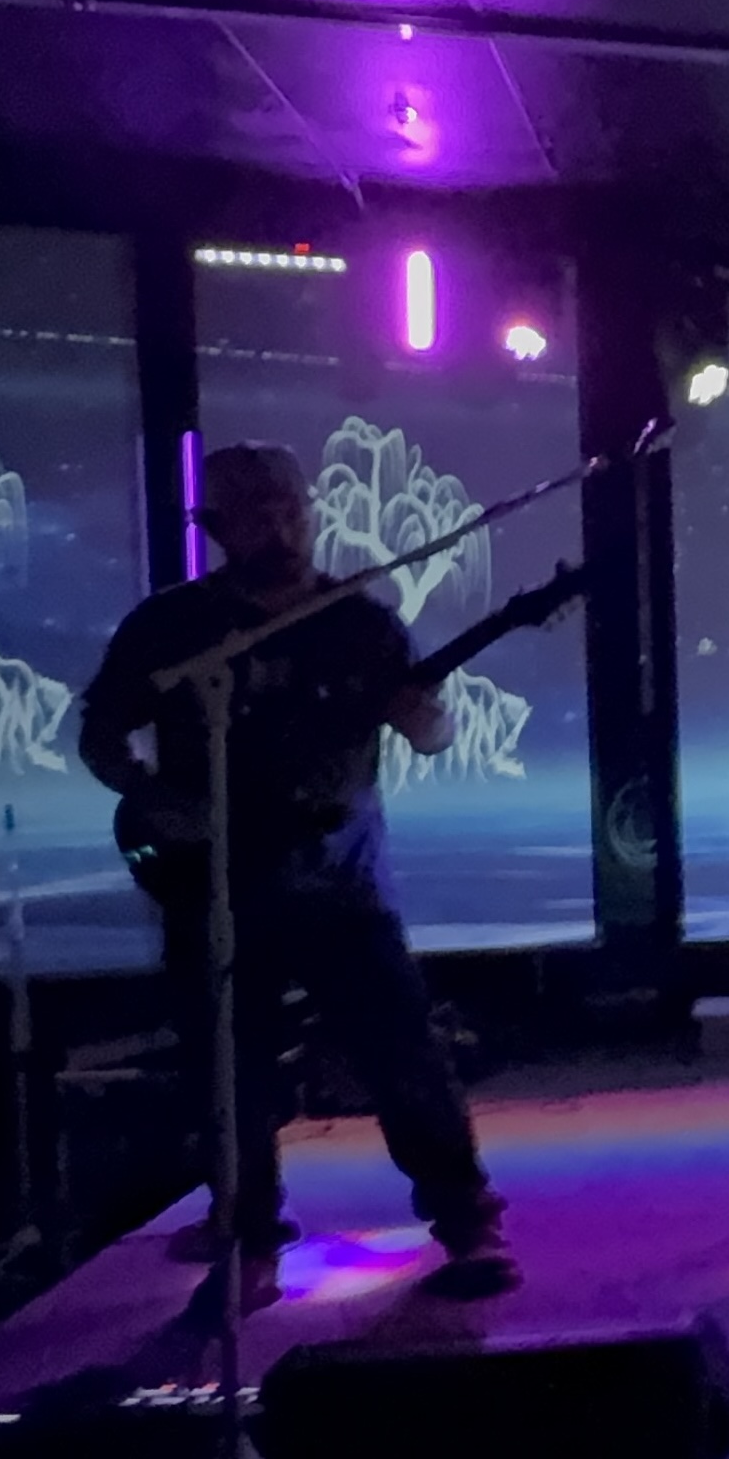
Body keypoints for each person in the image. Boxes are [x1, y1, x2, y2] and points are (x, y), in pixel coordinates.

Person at [79, 443, 515, 1311]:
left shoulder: (360, 623)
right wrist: (156, 801)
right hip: (213, 884)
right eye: (258, 512)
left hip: (340, 878)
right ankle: (247, 1242)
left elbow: (432, 735)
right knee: (226, 1073)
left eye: (292, 509)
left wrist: (423, 718)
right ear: (216, 526)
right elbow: (102, 737)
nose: (282, 527)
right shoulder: (171, 627)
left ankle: (469, 1225)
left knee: (404, 1053)